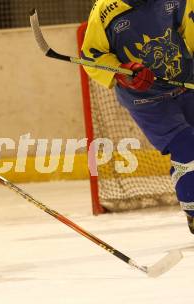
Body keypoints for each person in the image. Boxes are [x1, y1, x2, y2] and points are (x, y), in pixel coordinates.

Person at [81, 0, 194, 231]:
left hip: (185, 83)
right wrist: (121, 72)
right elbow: (91, 56)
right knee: (185, 145)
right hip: (145, 99)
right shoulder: (105, 9)